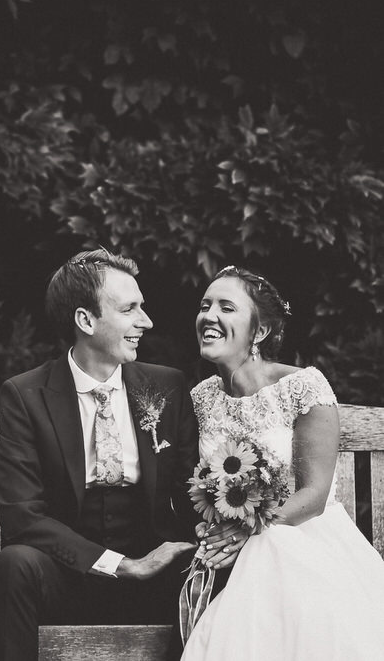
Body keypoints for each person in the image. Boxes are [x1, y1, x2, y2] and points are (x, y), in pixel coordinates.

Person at [0, 249, 200, 660]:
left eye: (144, 307)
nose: (146, 322)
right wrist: (120, 564)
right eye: (130, 309)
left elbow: (190, 488)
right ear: (85, 320)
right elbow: (20, 514)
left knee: (208, 568)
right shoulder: (26, 395)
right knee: (14, 565)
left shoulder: (168, 387)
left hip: (155, 582)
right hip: (69, 578)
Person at [180, 266, 384, 659]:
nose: (209, 316)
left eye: (226, 307)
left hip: (303, 535)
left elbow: (315, 494)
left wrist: (250, 531)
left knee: (270, 561)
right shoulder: (202, 397)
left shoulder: (302, 387)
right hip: (230, 544)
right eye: (205, 306)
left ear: (259, 332)